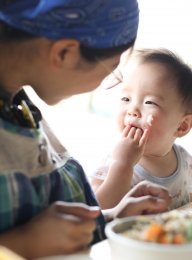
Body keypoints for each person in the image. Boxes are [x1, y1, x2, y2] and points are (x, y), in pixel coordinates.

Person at [0, 1, 172, 259]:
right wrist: (21, 245)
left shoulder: (18, 106)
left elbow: (48, 226)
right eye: (110, 69)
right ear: (65, 53)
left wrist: (114, 217)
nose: (109, 82)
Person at [91, 48, 192, 210]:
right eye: (126, 99)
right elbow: (97, 211)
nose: (133, 110)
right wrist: (123, 165)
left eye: (149, 102)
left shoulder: (187, 164)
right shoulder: (112, 163)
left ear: (182, 126)